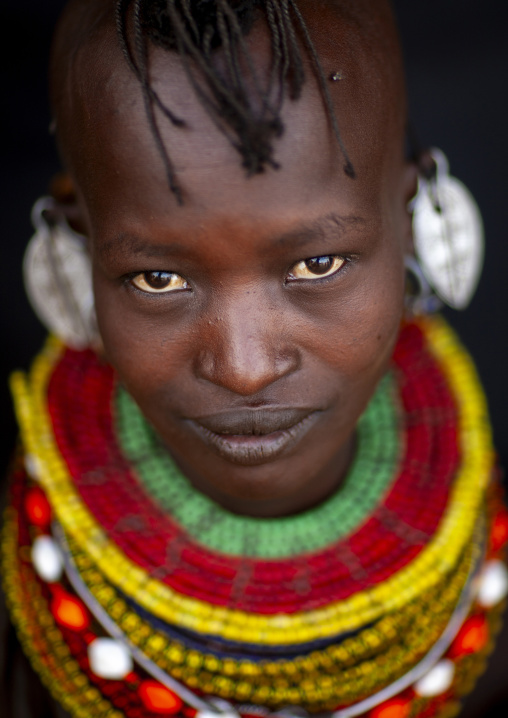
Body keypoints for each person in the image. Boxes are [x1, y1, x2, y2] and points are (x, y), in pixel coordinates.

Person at [1, 1, 507, 716]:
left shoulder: (477, 544)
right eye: (159, 279)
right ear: (78, 246)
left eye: (320, 263)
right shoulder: (16, 599)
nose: (244, 368)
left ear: (418, 220)